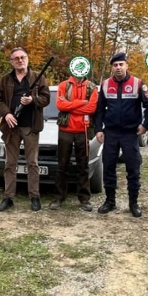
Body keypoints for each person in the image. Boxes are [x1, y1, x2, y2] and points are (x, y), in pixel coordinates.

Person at [93, 51, 148, 216]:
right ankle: (110, 201)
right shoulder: (105, 85)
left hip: (130, 134)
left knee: (133, 169)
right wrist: (99, 129)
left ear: (126, 65)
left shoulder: (138, 83)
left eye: (121, 64)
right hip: (111, 133)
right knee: (109, 168)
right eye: (115, 65)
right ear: (112, 67)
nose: (118, 68)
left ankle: (133, 203)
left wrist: (145, 126)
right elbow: (98, 110)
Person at [0, 47, 50, 212]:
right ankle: (8, 197)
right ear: (11, 62)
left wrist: (33, 100)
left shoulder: (37, 77)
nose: (20, 60)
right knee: (10, 163)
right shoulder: (5, 80)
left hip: (30, 127)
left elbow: (46, 99)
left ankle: (34, 196)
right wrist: (7, 114)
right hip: (11, 127)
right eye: (16, 58)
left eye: (22, 57)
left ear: (27, 59)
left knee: (32, 163)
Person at [53, 65, 98, 211]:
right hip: (65, 129)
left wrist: (70, 106)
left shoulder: (92, 87)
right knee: (62, 165)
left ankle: (84, 199)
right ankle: (59, 198)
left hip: (83, 130)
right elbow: (60, 105)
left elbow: (91, 108)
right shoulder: (63, 85)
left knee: (83, 166)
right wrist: (80, 103)